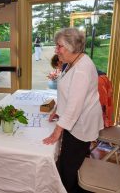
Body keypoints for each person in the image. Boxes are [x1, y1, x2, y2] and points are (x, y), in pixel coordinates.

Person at [43, 28, 104, 193]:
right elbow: (67, 94)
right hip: (75, 121)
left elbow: (74, 106)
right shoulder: (73, 62)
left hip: (81, 126)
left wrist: (56, 132)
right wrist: (57, 109)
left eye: (59, 46)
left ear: (72, 47)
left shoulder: (81, 70)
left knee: (67, 168)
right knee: (67, 163)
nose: (56, 50)